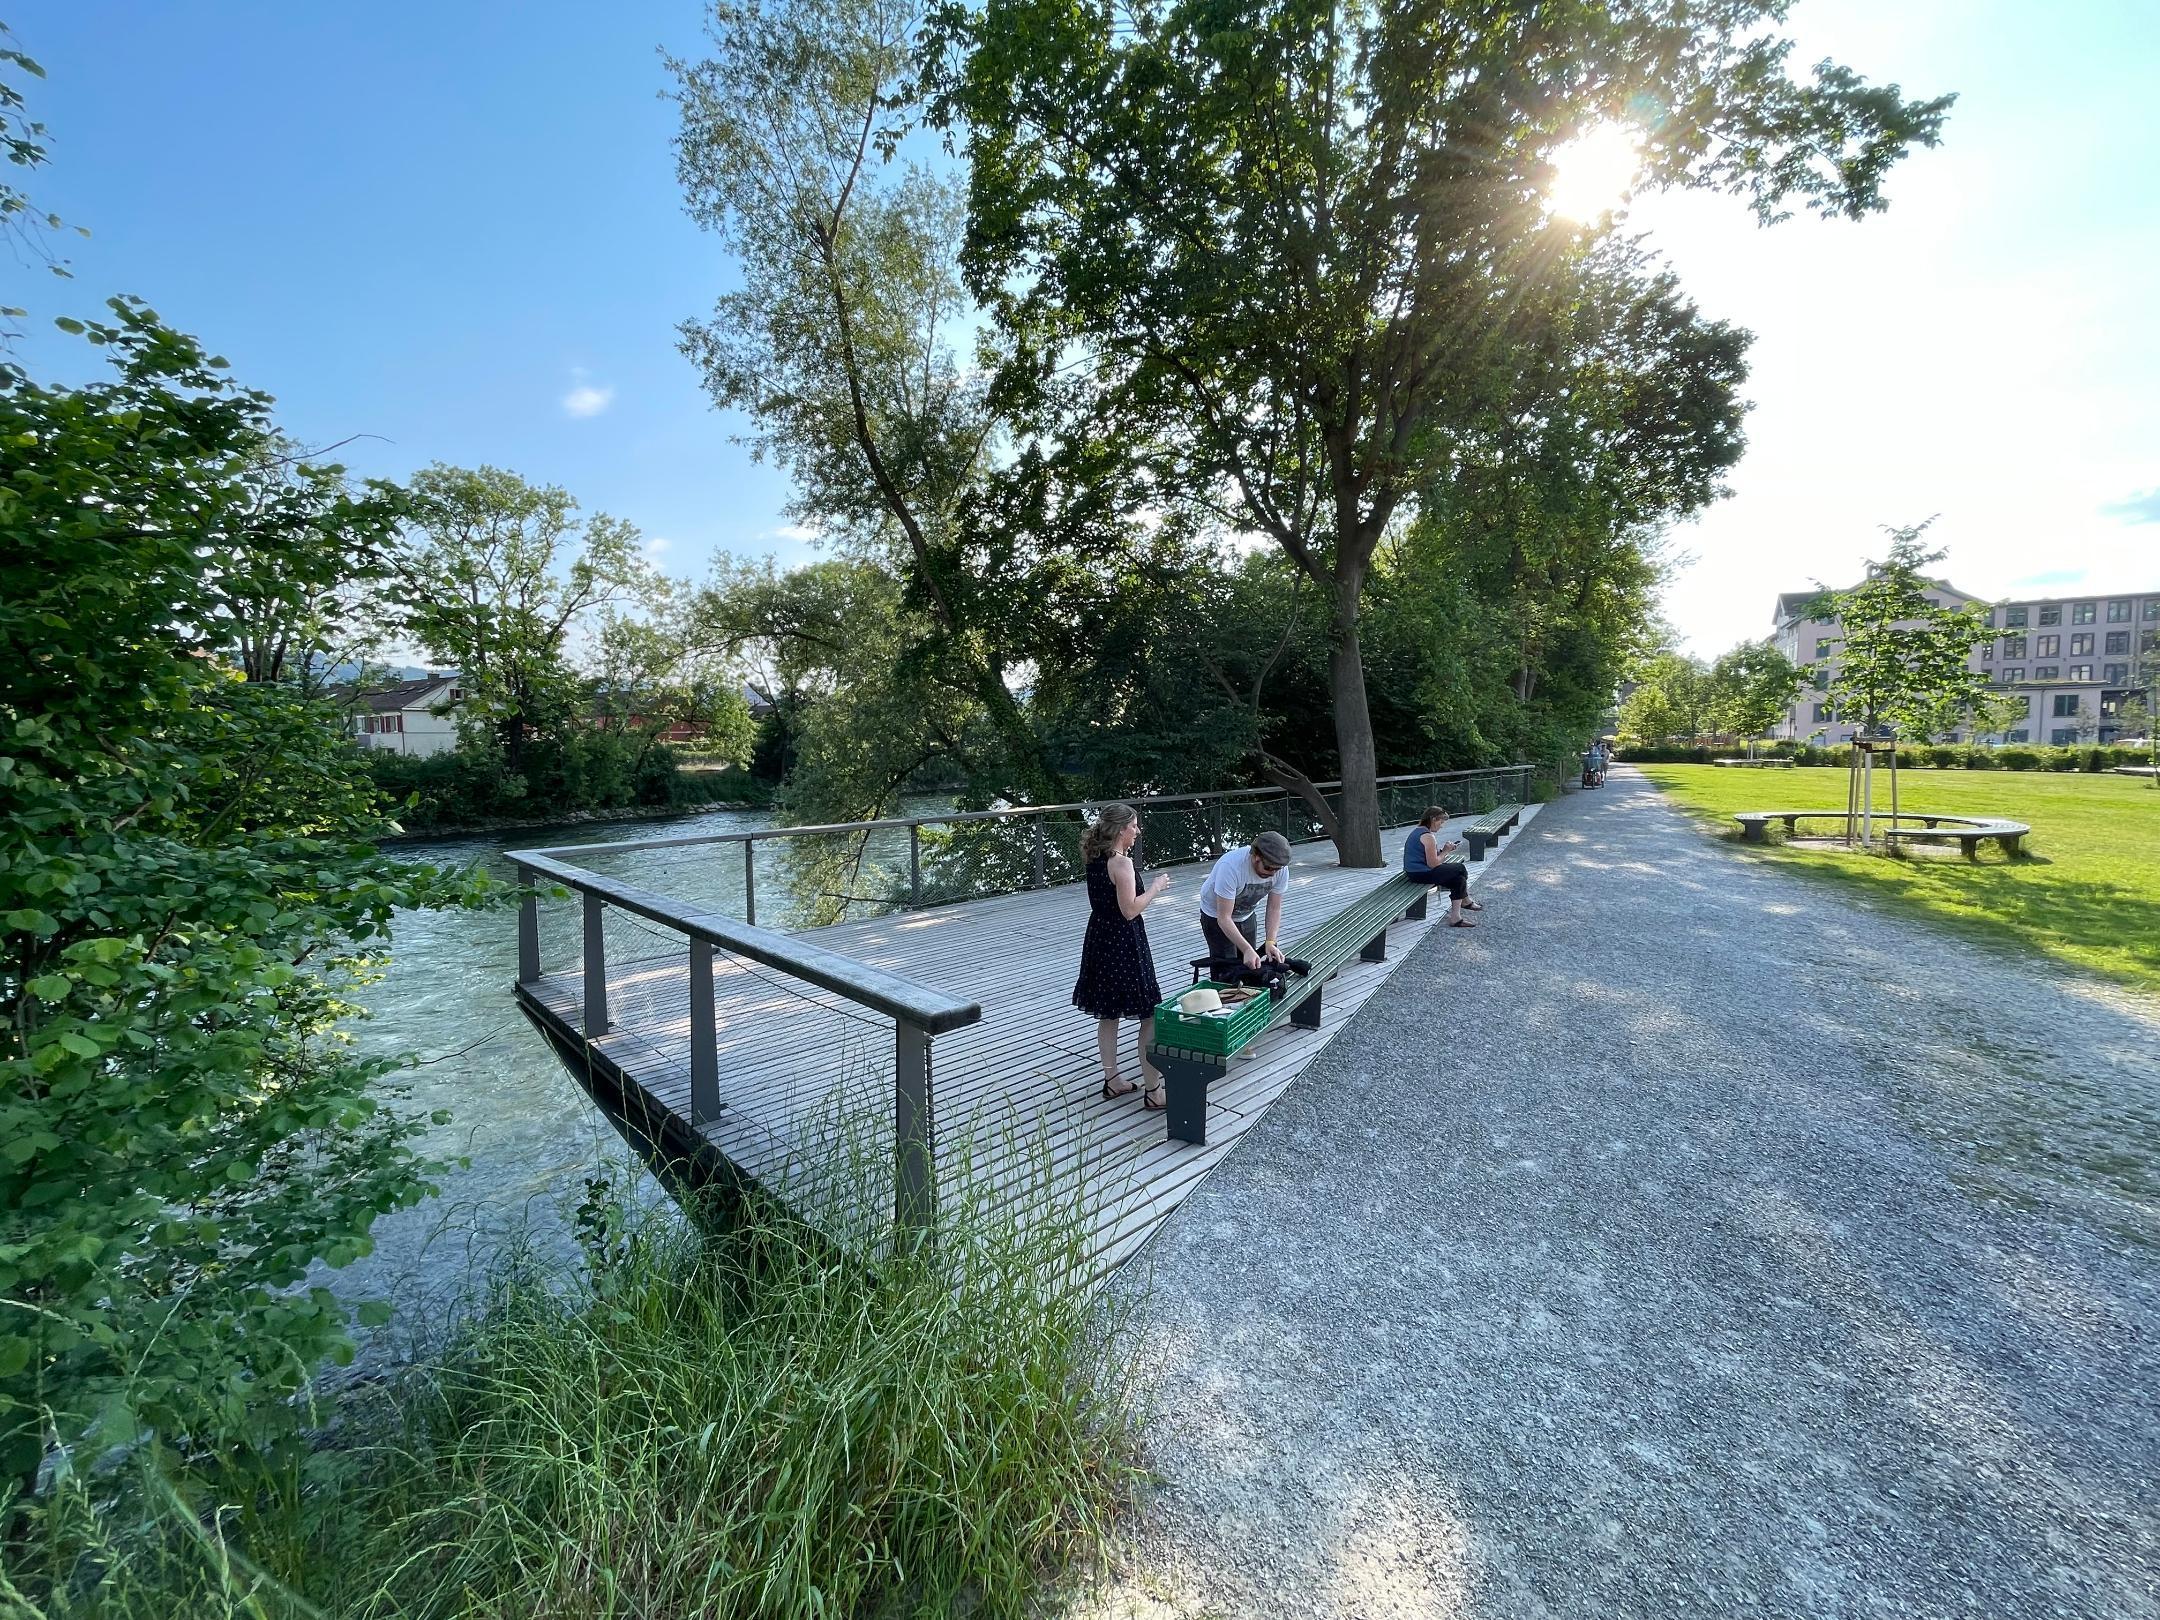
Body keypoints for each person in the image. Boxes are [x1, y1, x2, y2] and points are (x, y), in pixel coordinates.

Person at [1071, 802, 1174, 1109]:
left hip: (1099, 939)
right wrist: (1155, 888)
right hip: (1123, 943)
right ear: (1121, 830)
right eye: (1134, 826)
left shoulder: (1095, 856)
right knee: (1150, 1014)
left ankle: (1112, 1080)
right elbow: (1129, 910)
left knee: (1109, 1012)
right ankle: (1154, 1090)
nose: (1138, 831)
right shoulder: (1121, 864)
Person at [1198, 829, 1292, 974]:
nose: (1272, 873)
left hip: (1246, 914)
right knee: (1226, 969)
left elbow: (1274, 908)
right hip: (1215, 915)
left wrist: (1270, 941)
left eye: (1277, 869)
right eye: (1268, 868)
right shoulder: (1231, 867)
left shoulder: (1281, 869)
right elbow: (1224, 918)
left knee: (1250, 965)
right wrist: (1247, 948)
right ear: (1255, 857)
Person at [1403, 805, 1481, 927]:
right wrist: (1446, 851)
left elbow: (1427, 856)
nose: (1442, 825)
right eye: (1441, 821)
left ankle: (1455, 918)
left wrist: (1443, 851)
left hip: (1415, 872)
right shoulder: (1428, 837)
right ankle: (1465, 901)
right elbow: (1433, 864)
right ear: (1433, 819)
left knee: (1458, 879)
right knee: (1460, 868)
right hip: (1420, 874)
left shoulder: (1419, 831)